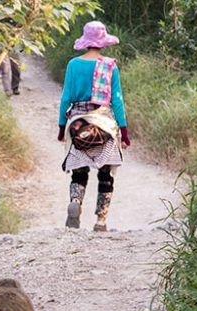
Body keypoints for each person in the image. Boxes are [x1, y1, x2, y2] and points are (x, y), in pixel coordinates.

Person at [57, 21, 130, 232]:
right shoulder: (110, 65)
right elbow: (117, 101)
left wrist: (62, 128)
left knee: (78, 173)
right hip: (103, 123)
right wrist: (124, 133)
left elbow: (65, 99)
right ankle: (101, 220)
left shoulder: (73, 65)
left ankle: (76, 202)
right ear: (103, 42)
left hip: (78, 123)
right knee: (106, 173)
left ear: (86, 41)